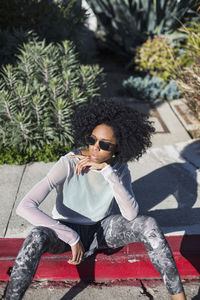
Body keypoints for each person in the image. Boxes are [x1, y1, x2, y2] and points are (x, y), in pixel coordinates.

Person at [4, 99, 186, 300]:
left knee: (148, 224)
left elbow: (131, 214)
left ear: (117, 149)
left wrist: (108, 172)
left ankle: (178, 297)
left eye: (104, 144)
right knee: (36, 236)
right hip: (64, 230)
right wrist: (71, 237)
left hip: (101, 229)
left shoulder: (118, 169)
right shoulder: (68, 162)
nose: (95, 148)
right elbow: (25, 206)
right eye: (92, 140)